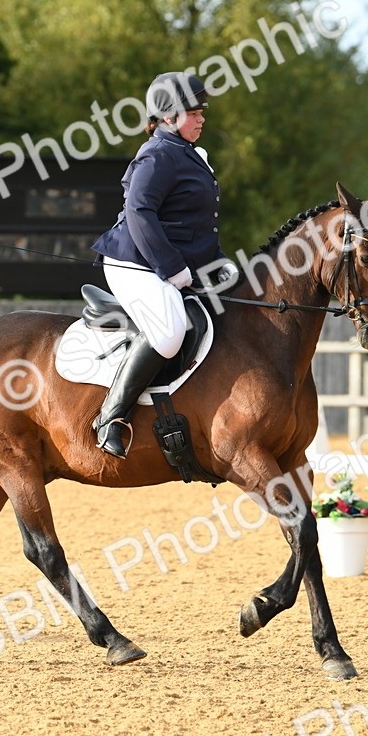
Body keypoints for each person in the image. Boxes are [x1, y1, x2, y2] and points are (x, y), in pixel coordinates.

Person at [90, 72, 236, 458]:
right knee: (170, 332)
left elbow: (196, 224)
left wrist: (220, 265)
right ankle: (110, 417)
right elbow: (140, 212)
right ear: (169, 116)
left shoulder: (187, 153)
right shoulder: (157, 155)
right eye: (193, 112)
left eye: (202, 111)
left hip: (166, 263)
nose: (202, 118)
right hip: (135, 263)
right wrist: (172, 269)